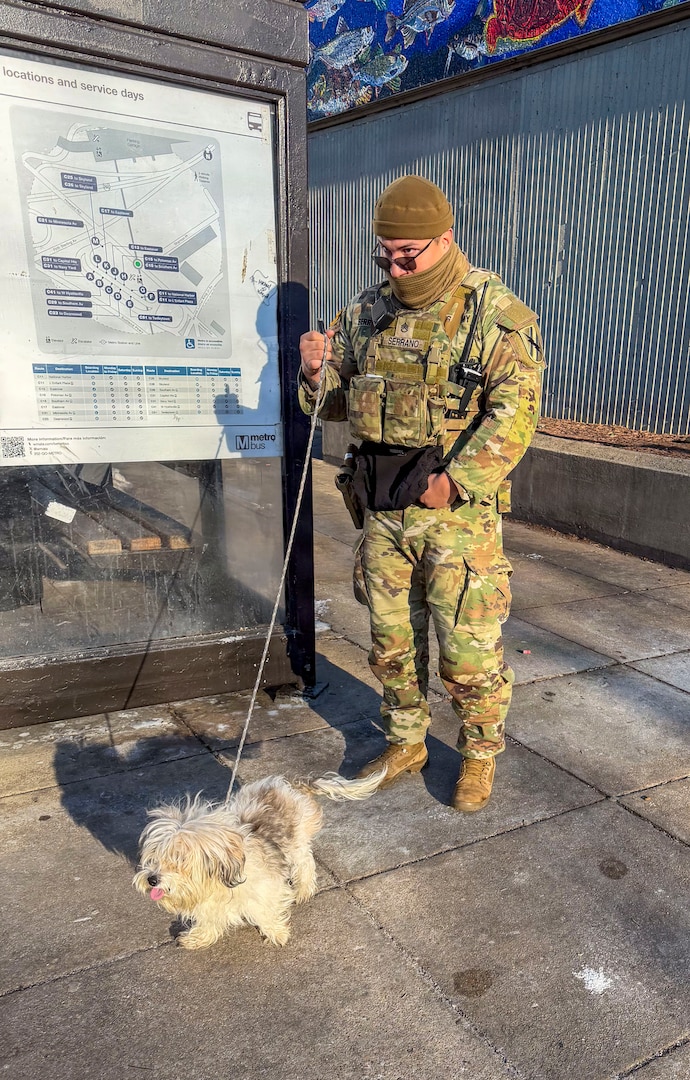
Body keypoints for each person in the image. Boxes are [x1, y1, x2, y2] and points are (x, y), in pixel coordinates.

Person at [298, 175, 544, 812]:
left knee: (467, 655)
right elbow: (325, 404)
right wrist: (313, 370)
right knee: (391, 646)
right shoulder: (368, 312)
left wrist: (455, 481)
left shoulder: (492, 311)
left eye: (410, 255)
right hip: (382, 512)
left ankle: (480, 753)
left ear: (446, 238)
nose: (397, 267)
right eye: (387, 255)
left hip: (454, 519)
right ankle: (406, 741)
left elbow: (515, 415)